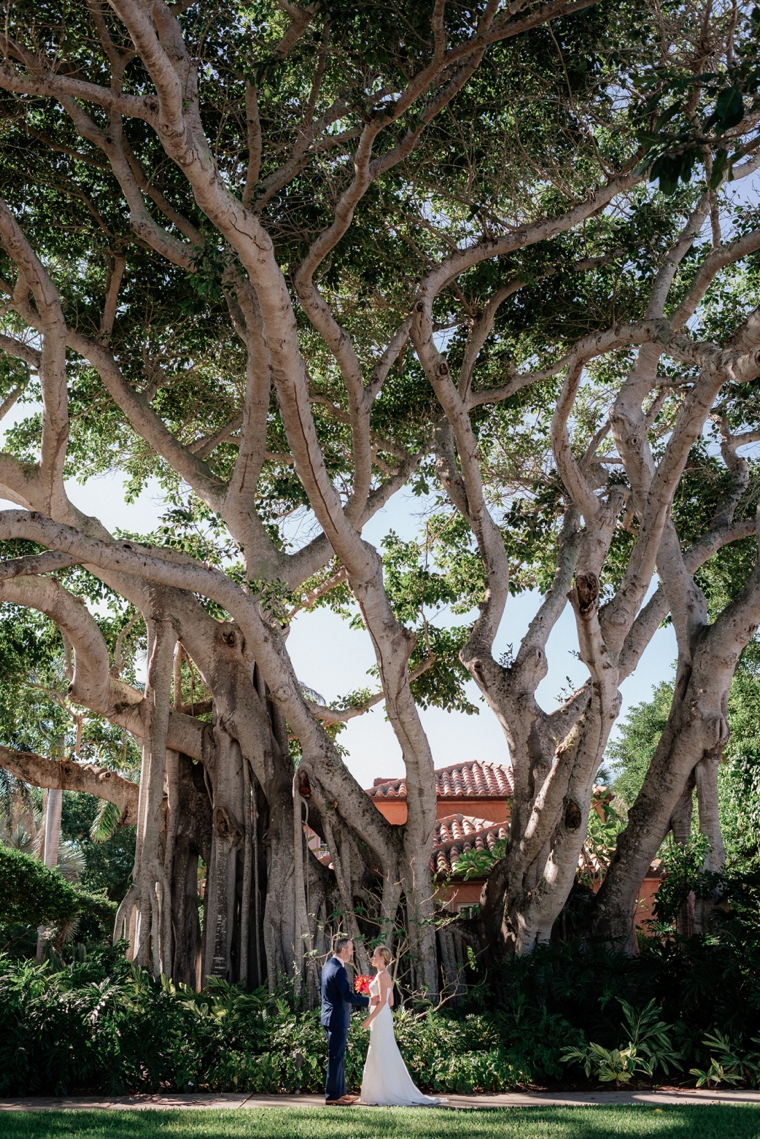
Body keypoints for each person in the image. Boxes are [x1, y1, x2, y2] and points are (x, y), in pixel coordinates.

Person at [359, 945, 444, 1106]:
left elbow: (384, 1002)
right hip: (382, 1016)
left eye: (375, 955)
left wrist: (369, 1018)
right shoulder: (381, 975)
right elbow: (390, 1002)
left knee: (381, 1051)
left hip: (379, 1018)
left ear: (382, 958)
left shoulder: (383, 975)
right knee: (380, 1050)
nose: (372, 958)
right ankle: (379, 1092)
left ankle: (387, 1092)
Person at [320, 936, 370, 1106]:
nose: (352, 952)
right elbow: (347, 996)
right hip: (336, 1018)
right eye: (351, 948)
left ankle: (341, 1093)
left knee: (338, 1056)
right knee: (335, 1056)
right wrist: (368, 1001)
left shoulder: (328, 966)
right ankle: (333, 1096)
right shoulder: (339, 970)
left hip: (330, 1017)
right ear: (343, 950)